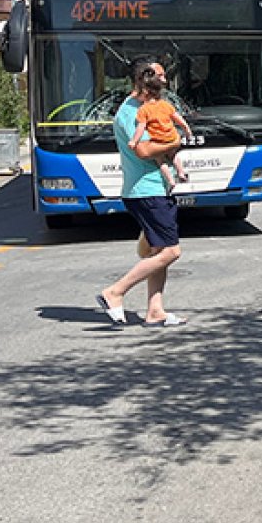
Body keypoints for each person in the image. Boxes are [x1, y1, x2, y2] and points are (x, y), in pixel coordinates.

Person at [95, 58, 189, 328]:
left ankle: (155, 310)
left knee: (158, 250)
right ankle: (115, 292)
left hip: (154, 188)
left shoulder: (151, 107)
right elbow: (144, 150)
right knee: (171, 251)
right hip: (144, 190)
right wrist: (175, 140)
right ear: (143, 79)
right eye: (160, 75)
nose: (165, 80)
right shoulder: (129, 113)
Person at [128, 67, 192, 195]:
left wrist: (134, 141)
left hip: (159, 141)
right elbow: (179, 120)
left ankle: (170, 181)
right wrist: (187, 132)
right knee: (173, 155)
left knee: (160, 160)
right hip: (172, 137)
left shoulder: (144, 110)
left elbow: (141, 128)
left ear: (144, 92)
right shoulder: (165, 105)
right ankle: (180, 172)